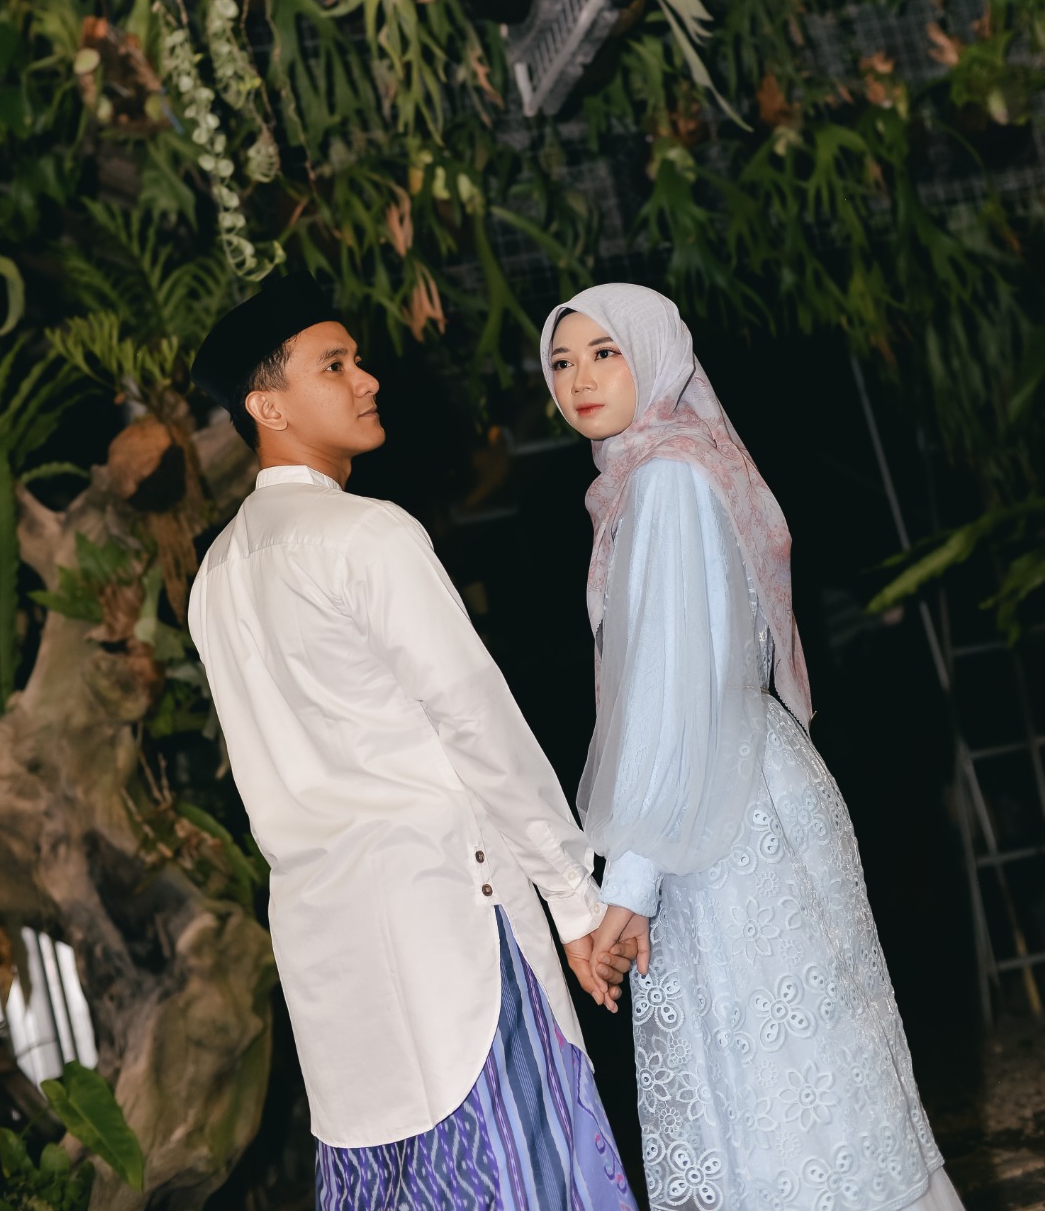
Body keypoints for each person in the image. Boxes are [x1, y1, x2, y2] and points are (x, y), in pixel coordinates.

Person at [187, 273, 640, 1211]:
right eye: (335, 365)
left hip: (329, 958)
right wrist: (573, 900)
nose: (368, 379)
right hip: (450, 927)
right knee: (525, 1177)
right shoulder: (366, 536)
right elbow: (479, 726)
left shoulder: (214, 578)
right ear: (267, 406)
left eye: (357, 360)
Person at [541, 282, 964, 1211]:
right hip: (738, 786)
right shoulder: (654, 473)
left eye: (606, 353)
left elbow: (670, 688)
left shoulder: (666, 477)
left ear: (656, 355)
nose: (579, 379)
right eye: (562, 362)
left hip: (722, 813)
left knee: (778, 1094)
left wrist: (630, 882)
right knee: (802, 1079)